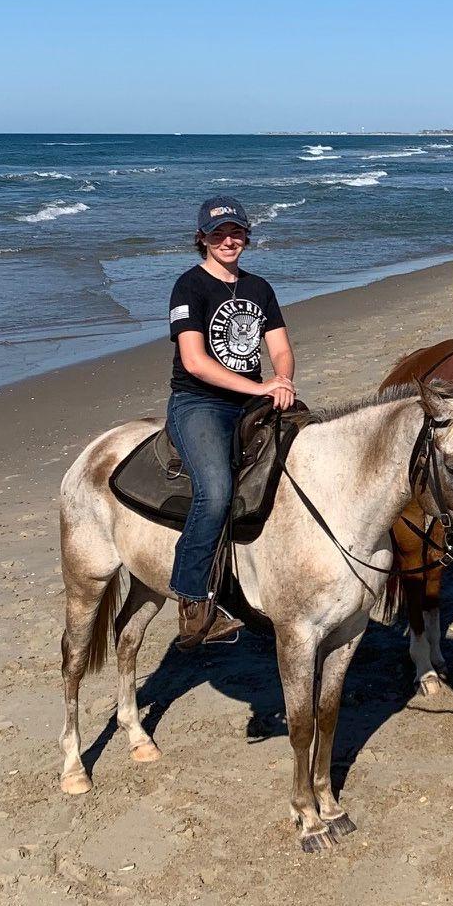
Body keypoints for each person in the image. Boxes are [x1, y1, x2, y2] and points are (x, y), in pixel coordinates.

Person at [164, 195, 295, 649]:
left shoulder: (260, 288)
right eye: (218, 234)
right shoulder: (190, 287)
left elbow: (279, 346)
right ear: (202, 238)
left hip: (252, 399)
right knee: (216, 489)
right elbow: (195, 362)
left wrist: (281, 379)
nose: (229, 240)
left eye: (236, 232)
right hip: (200, 403)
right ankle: (193, 601)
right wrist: (258, 387)